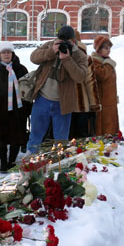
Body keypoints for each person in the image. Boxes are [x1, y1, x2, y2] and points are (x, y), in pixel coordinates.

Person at [26, 25, 88, 154]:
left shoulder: (79, 55)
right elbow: (33, 57)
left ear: (74, 40)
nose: (64, 43)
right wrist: (51, 51)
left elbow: (80, 77)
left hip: (63, 103)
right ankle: (30, 163)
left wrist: (67, 59)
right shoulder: (50, 45)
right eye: (61, 39)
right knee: (35, 136)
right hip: (42, 99)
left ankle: (58, 163)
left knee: (61, 140)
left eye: (68, 41)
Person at [0, 41, 31, 173]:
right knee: (1, 138)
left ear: (12, 54)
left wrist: (29, 108)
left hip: (18, 110)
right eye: (4, 52)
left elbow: (27, 90)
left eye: (8, 52)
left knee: (17, 137)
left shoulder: (21, 69)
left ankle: (12, 161)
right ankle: (3, 163)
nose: (6, 55)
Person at [69, 30, 101, 138]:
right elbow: (90, 82)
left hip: (63, 105)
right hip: (82, 104)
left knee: (64, 136)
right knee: (81, 135)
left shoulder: (60, 56)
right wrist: (94, 104)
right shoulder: (86, 58)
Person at [91, 35, 119, 135]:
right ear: (99, 49)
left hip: (110, 101)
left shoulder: (106, 60)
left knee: (111, 127)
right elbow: (101, 75)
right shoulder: (94, 61)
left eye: (109, 48)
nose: (108, 50)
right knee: (104, 129)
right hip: (102, 103)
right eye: (106, 48)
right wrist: (109, 64)